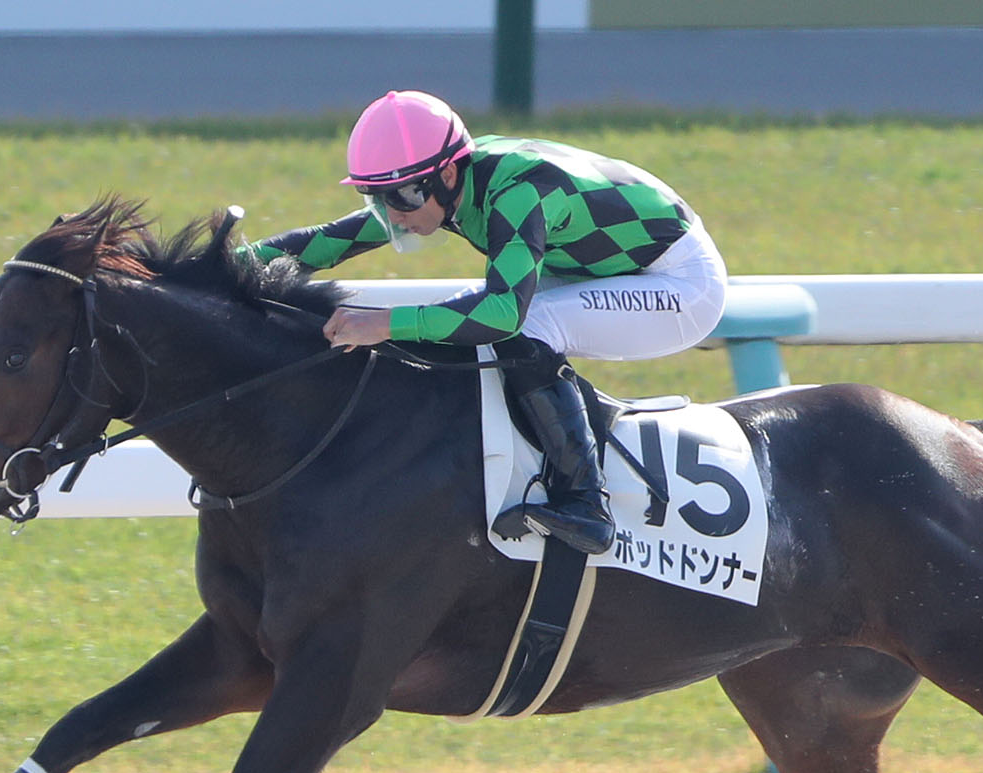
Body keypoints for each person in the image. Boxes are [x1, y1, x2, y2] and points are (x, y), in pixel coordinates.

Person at [249, 90, 729, 557]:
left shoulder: (515, 194)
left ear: (447, 173)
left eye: (403, 196)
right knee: (455, 320)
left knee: (520, 326)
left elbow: (503, 315)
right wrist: (228, 264)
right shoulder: (443, 185)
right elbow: (331, 241)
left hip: (680, 282)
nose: (394, 215)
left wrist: (385, 324)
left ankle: (584, 501)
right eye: (378, 198)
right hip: (609, 266)